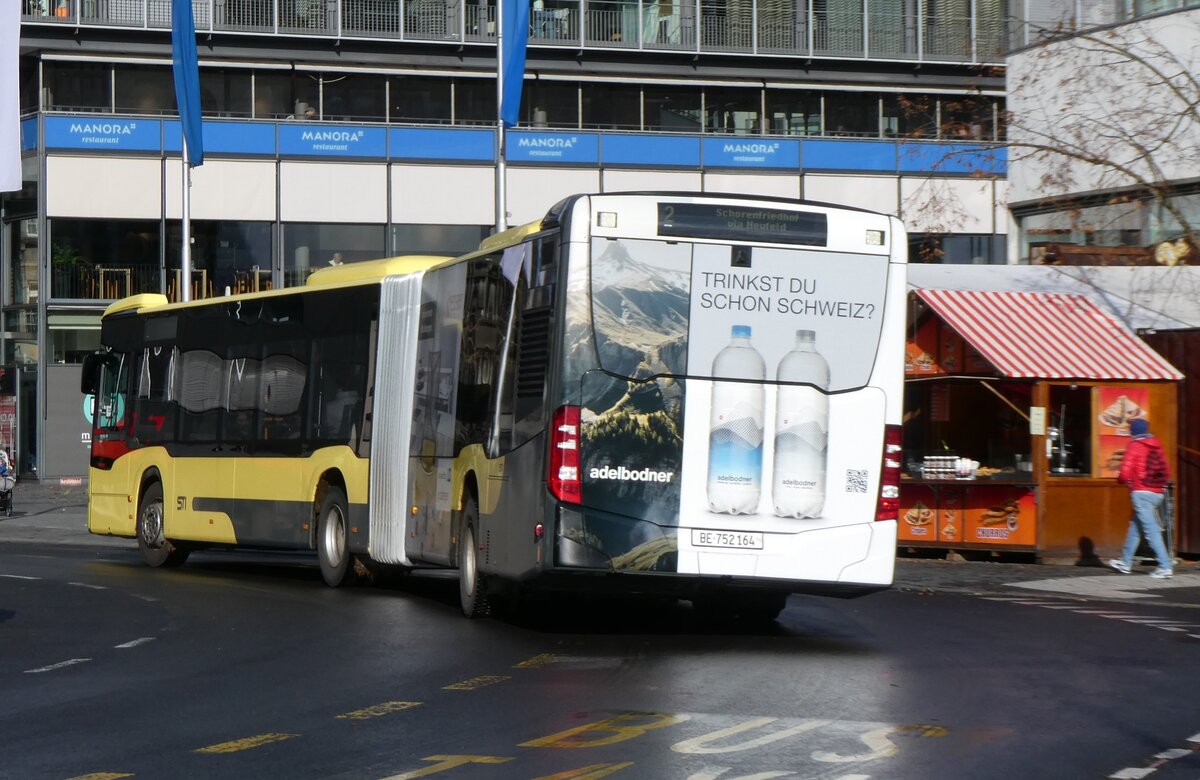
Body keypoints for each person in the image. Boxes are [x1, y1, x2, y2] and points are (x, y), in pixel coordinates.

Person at [1109, 418, 1173, 578]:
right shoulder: (1156, 444)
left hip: (1141, 493)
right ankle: (1125, 562)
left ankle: (1165, 566)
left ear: (1134, 431)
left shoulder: (1135, 445)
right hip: (1157, 493)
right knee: (1136, 527)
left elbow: (1125, 472)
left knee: (1151, 530)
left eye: (1131, 429)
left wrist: (1120, 479)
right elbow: (1167, 471)